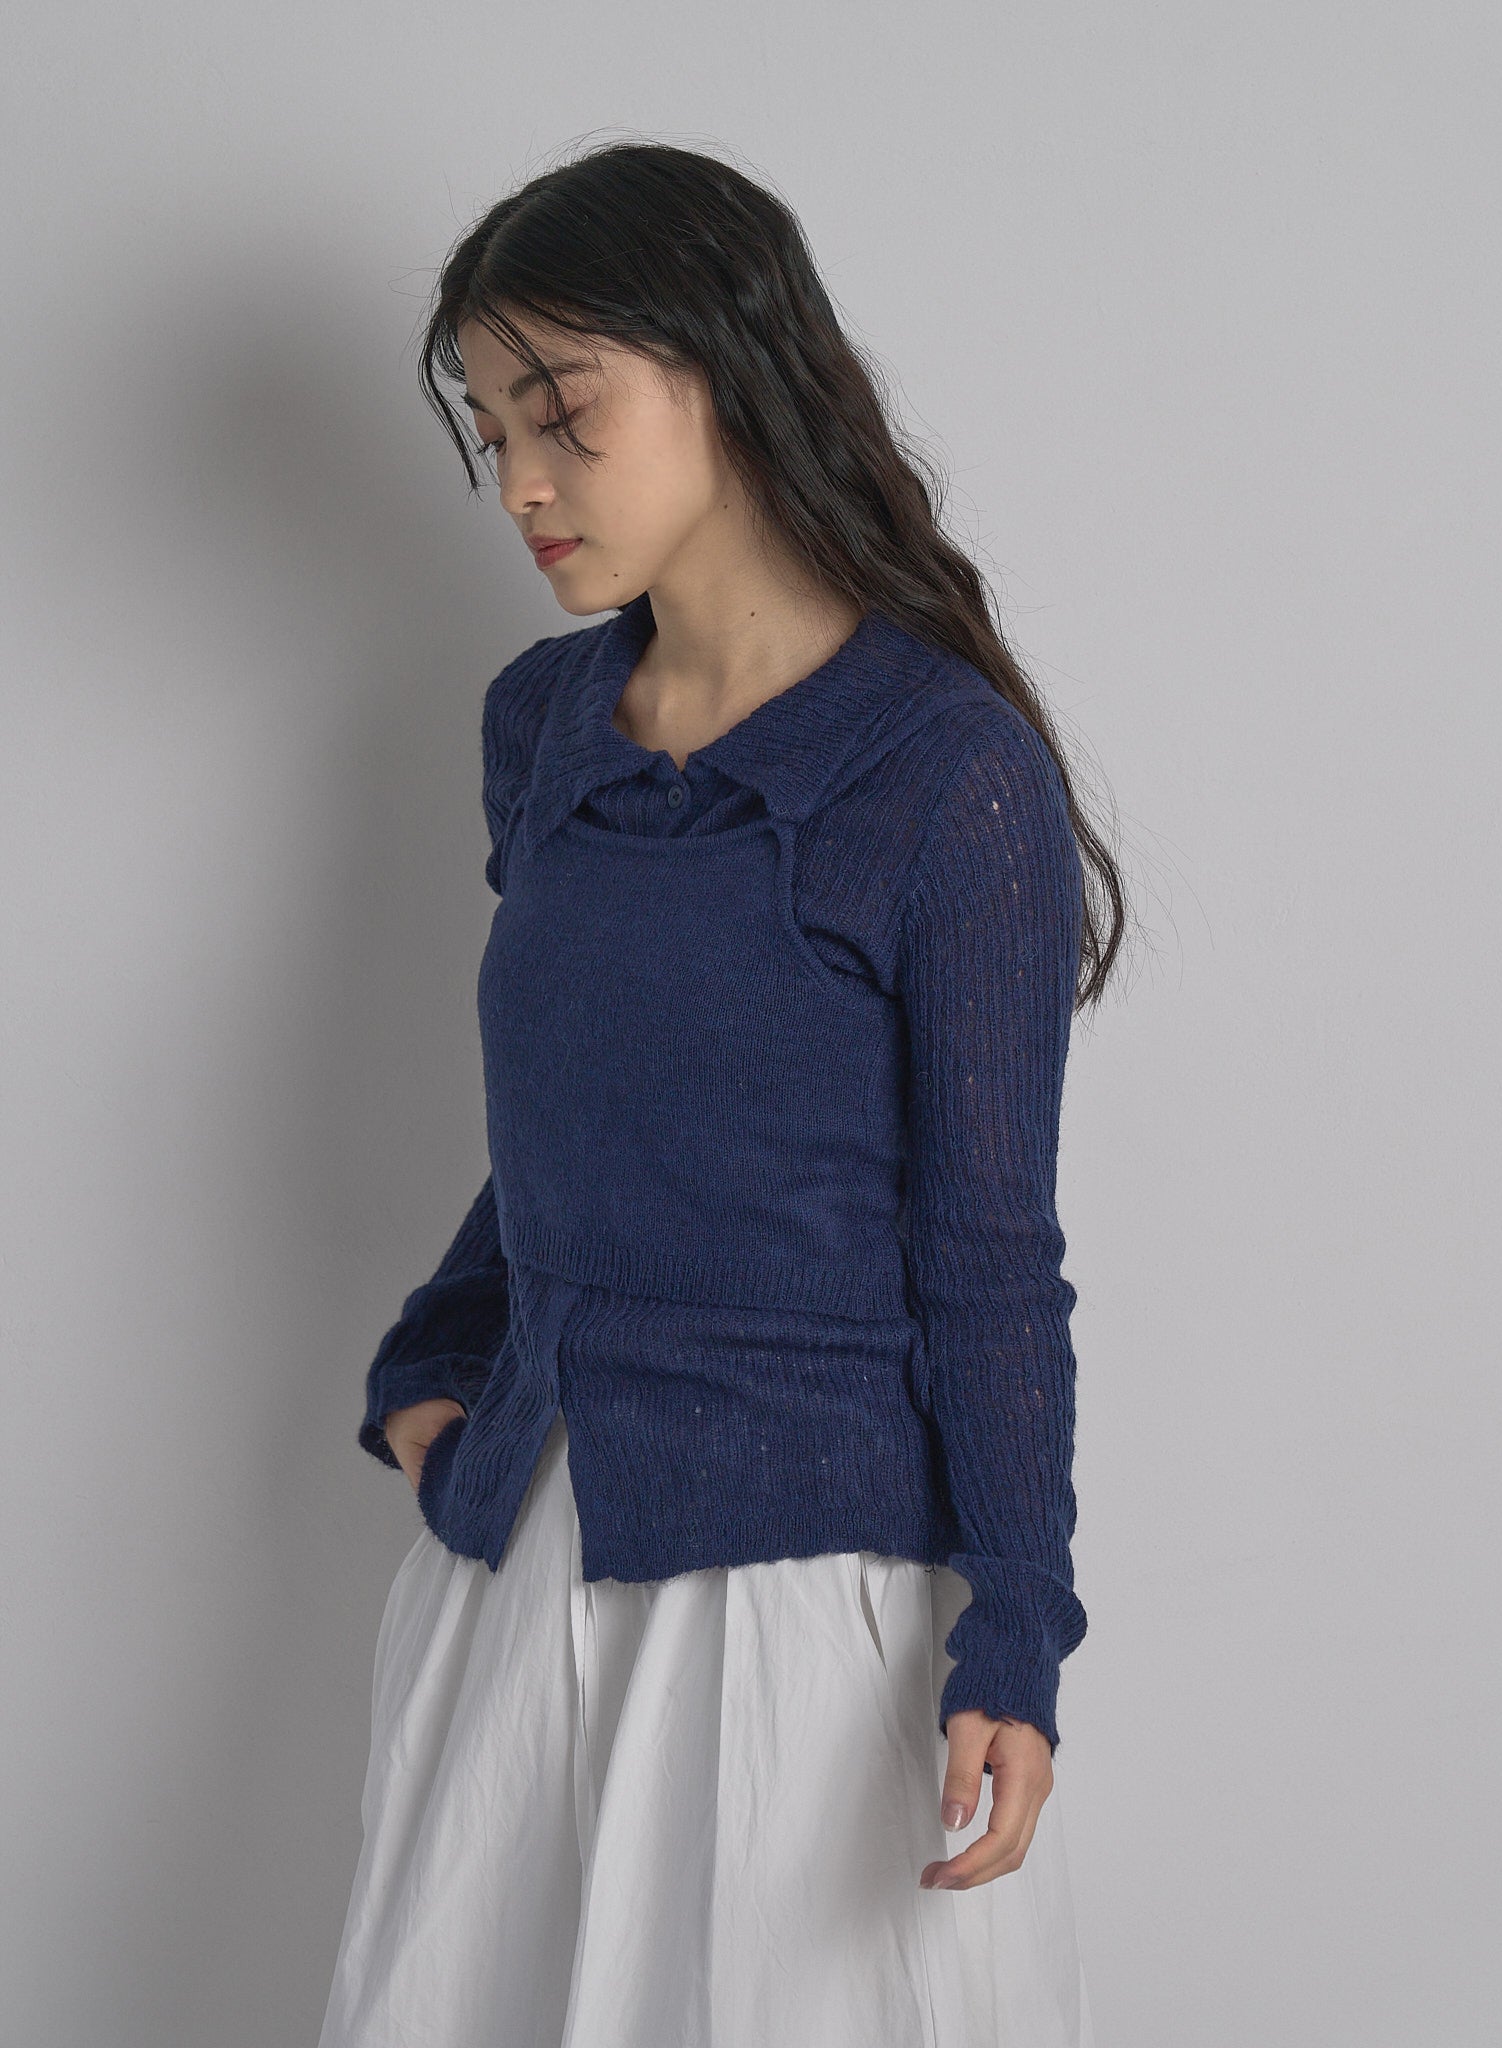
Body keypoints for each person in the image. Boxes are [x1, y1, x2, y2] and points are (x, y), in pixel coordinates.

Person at [317, 138, 1127, 2048]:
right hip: (522, 1568)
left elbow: (989, 1253)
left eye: (562, 413)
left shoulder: (946, 773)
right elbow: (580, 1120)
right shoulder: (542, 725)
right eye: (491, 429)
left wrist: (1019, 1627)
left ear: (729, 370)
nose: (519, 482)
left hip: (798, 1620)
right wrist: (432, 1364)